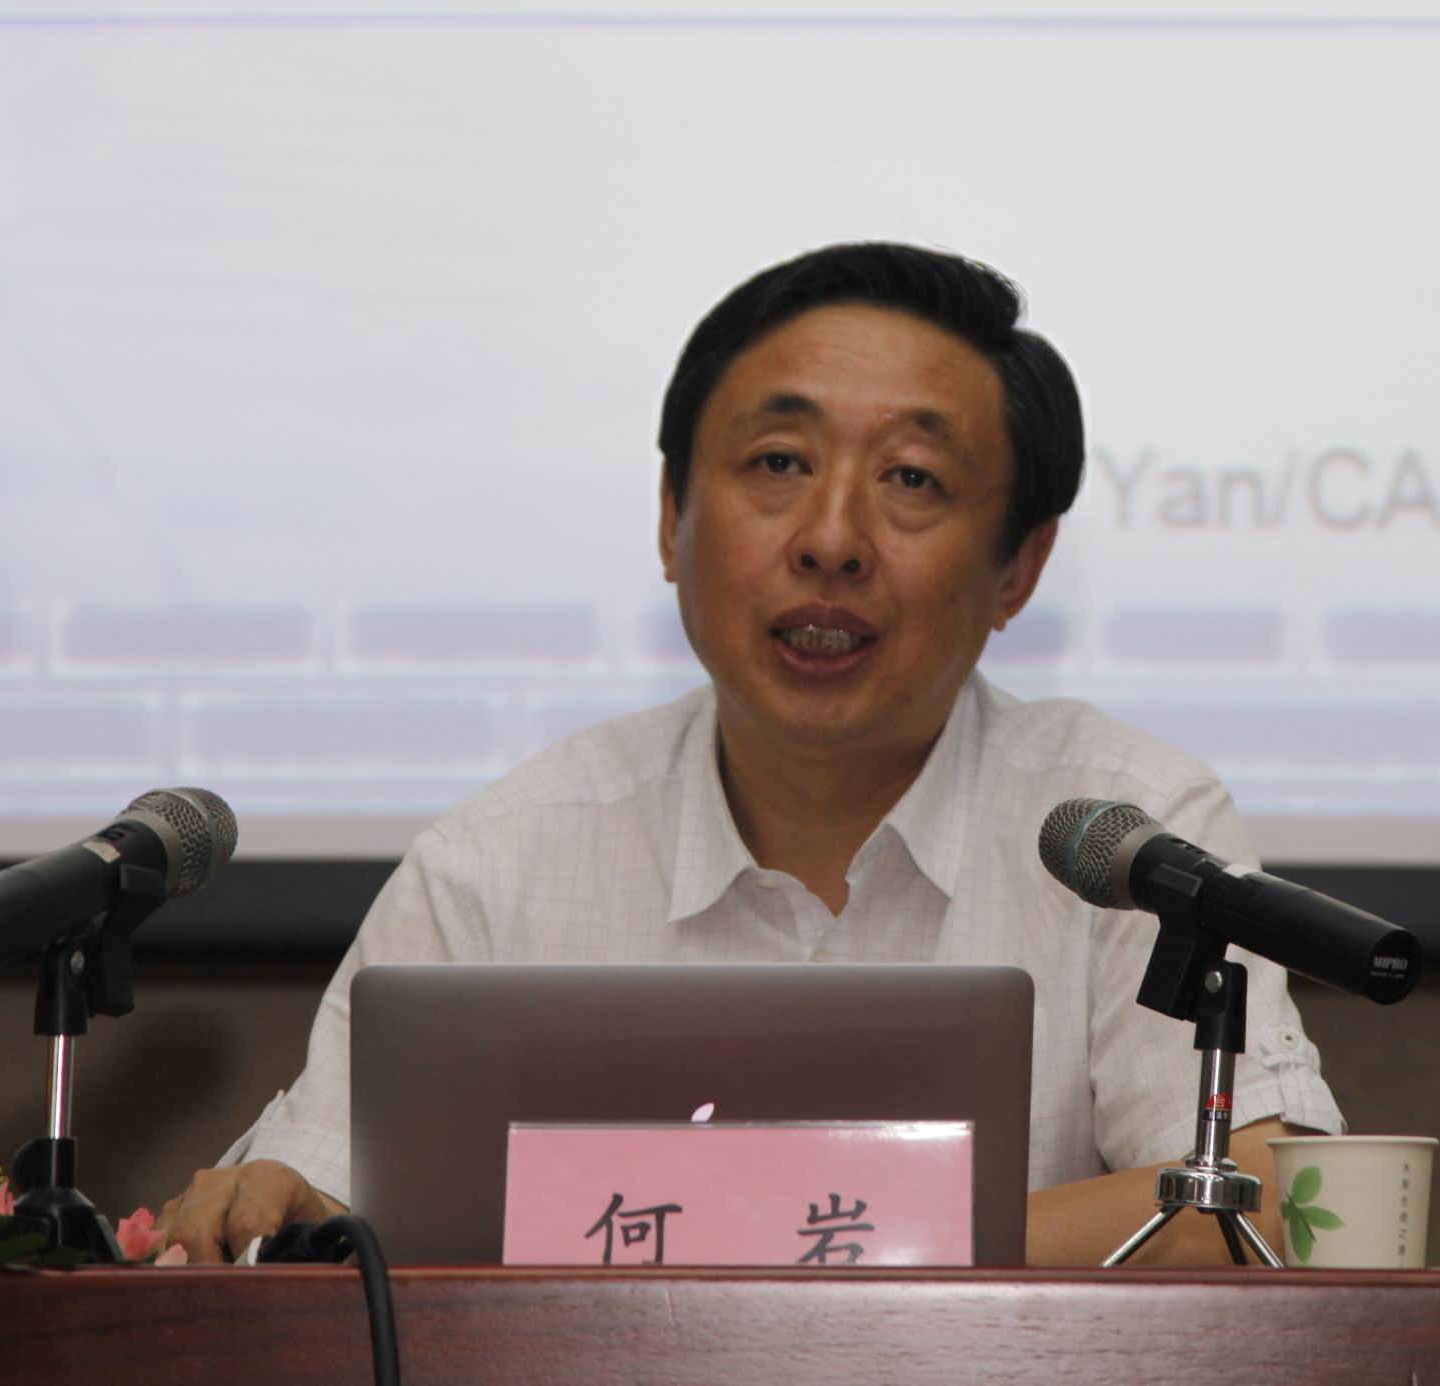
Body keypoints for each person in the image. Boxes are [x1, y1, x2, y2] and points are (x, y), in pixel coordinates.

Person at [156, 243, 1343, 1265]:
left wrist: (795, 1236)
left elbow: (1277, 1210)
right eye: (778, 463)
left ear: (1017, 570)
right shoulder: (500, 862)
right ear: (671, 516)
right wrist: (268, 1208)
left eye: (913, 479)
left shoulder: (1125, 833)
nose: (830, 539)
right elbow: (313, 1204)